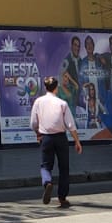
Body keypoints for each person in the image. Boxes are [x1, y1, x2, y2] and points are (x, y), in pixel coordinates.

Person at [29, 76, 82, 209]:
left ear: (45, 87)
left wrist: (38, 134)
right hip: (61, 138)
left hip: (46, 138)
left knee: (45, 166)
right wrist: (77, 141)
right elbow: (71, 124)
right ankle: (62, 198)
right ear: (56, 88)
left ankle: (47, 182)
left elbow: (33, 123)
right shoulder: (62, 103)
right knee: (64, 168)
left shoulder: (38, 102)